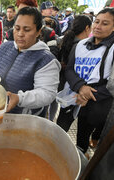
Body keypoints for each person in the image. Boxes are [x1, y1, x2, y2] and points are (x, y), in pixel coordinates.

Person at [0, 7, 60, 117]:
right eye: (17, 28)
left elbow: (47, 93)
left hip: (24, 118)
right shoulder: (4, 47)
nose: (20, 34)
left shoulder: (46, 60)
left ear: (38, 32)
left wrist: (19, 98)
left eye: (27, 30)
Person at [65, 8, 114, 155]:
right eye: (96, 22)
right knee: (82, 133)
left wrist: (88, 95)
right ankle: (82, 155)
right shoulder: (80, 45)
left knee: (100, 130)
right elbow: (69, 69)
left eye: (105, 23)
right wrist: (80, 88)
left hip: (102, 98)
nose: (98, 26)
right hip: (80, 95)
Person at [56, 15, 92, 128]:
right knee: (66, 120)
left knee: (62, 119)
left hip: (63, 85)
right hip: (73, 89)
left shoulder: (66, 39)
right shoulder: (82, 46)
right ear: (87, 28)